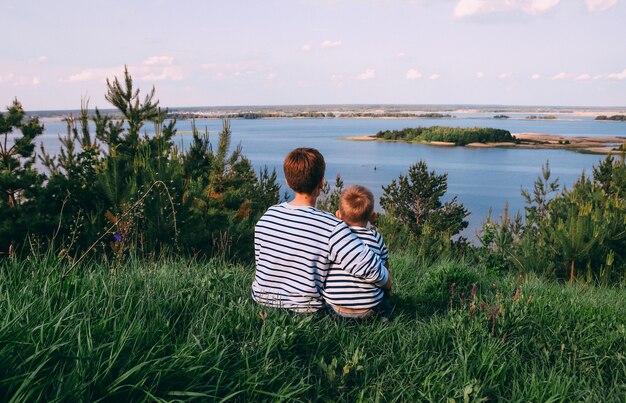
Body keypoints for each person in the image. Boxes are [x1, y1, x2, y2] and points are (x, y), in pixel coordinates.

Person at [252, 148, 390, 313]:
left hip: (261, 302)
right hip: (303, 309)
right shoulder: (331, 227)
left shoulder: (268, 216)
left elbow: (261, 261)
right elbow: (368, 267)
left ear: (288, 182)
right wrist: (388, 282)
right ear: (322, 183)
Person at [322, 185, 393, 319]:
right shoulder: (376, 238)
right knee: (385, 302)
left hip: (336, 308)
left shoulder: (334, 238)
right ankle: (384, 318)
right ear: (372, 216)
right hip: (369, 308)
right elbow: (385, 267)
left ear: (338, 215)